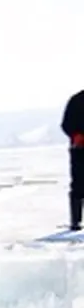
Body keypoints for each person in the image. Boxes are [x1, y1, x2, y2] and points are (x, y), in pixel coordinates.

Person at [60, 89, 84, 231]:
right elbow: (66, 124)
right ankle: (76, 221)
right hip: (80, 150)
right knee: (79, 186)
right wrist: (76, 135)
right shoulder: (77, 100)